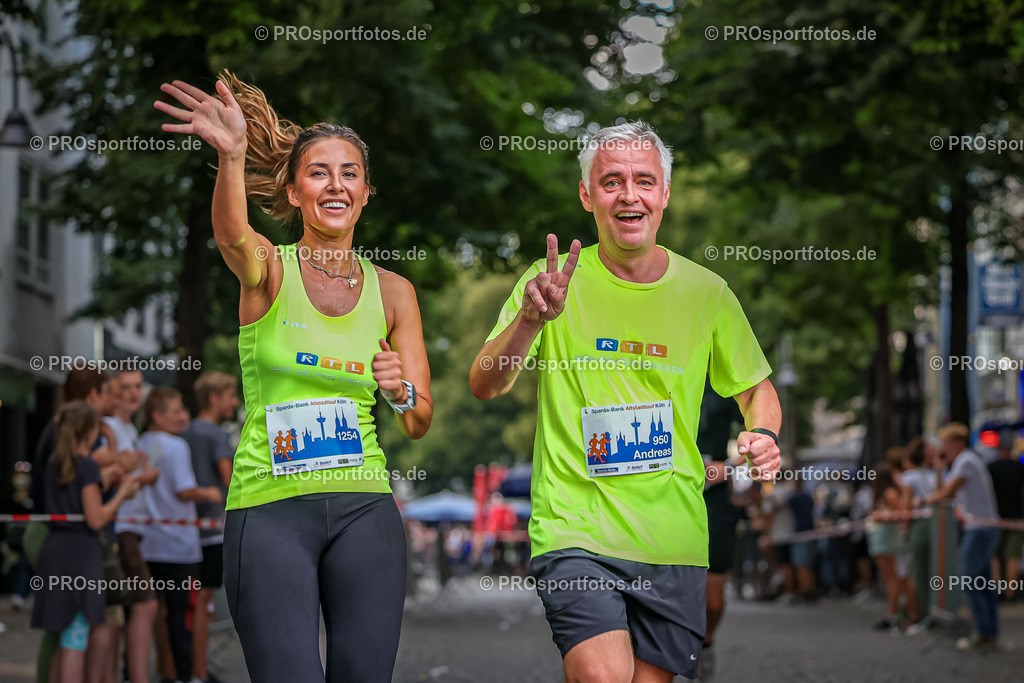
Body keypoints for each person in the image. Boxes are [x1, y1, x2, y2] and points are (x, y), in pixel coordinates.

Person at [470, 121, 781, 682]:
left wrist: (763, 433)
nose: (629, 194)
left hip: (672, 536)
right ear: (588, 196)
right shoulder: (549, 284)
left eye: (644, 180)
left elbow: (756, 387)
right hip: (574, 528)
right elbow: (486, 382)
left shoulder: (706, 293)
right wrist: (528, 321)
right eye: (611, 182)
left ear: (664, 193)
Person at [155, 71, 433, 682]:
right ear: (295, 189)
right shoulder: (269, 271)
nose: (336, 184)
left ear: (366, 192)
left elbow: (418, 418)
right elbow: (231, 233)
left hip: (365, 508)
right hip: (270, 511)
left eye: (350, 173)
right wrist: (231, 156)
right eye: (319, 172)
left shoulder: (395, 293)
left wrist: (399, 389)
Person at [30, 401, 140, 683]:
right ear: (91, 433)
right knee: (75, 638)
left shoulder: (58, 461)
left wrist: (102, 480)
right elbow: (95, 518)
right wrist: (122, 492)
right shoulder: (87, 465)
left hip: (56, 551)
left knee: (62, 631)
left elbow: (76, 495)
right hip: (80, 555)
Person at [181, 371, 239, 683]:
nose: (235, 402)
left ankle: (186, 668)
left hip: (187, 527)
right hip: (214, 528)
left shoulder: (186, 431)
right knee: (203, 602)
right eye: (231, 395)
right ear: (214, 398)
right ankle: (199, 673)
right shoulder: (216, 435)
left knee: (190, 602)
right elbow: (229, 480)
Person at [925, 423, 1001, 651]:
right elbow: (946, 489)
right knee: (983, 583)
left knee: (968, 580)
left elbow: (945, 493)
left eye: (944, 444)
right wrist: (940, 467)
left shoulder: (966, 461)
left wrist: (924, 500)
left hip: (979, 529)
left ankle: (984, 634)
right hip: (981, 528)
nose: (942, 448)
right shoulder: (965, 461)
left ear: (955, 443)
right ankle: (988, 632)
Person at [695, 382, 744, 678]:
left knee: (713, 600)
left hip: (713, 502)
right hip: (662, 499)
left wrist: (729, 464)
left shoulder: (721, 388)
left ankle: (707, 641)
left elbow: (759, 425)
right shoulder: (656, 374)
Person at [901, 437, 937, 632]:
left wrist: (905, 528)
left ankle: (920, 615)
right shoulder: (932, 475)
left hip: (920, 525)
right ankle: (929, 612)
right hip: (935, 524)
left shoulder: (909, 477)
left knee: (918, 572)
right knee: (931, 570)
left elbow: (907, 507)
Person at [988, 432, 1024, 602]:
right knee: (1013, 556)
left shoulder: (991, 467)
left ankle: (997, 589)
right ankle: (1011, 592)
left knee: (995, 554)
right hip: (1016, 517)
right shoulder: (1019, 467)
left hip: (995, 517)